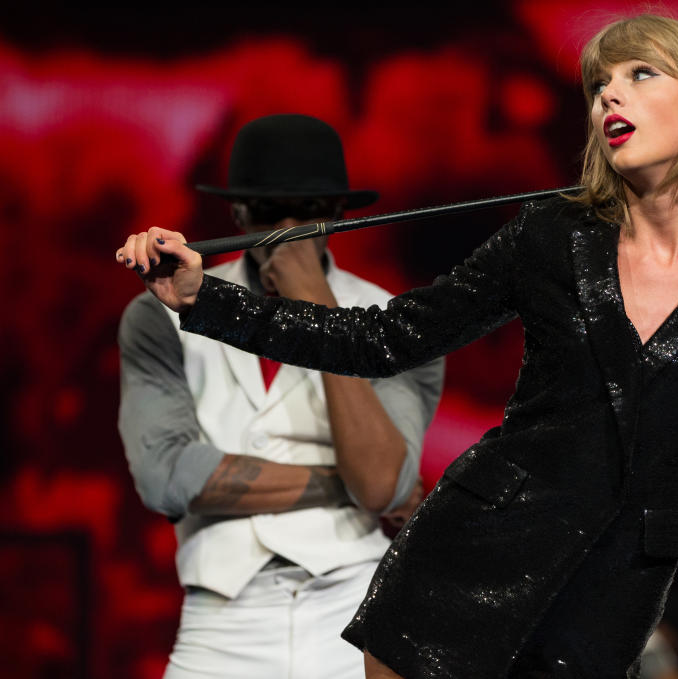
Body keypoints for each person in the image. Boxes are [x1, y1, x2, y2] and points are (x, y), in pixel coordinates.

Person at [117, 16, 678, 678]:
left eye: (639, 74)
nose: (608, 95)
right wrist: (204, 296)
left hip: (609, 595)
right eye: (599, 82)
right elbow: (384, 337)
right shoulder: (553, 235)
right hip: (460, 566)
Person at [117, 114, 445, 679]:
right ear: (238, 211)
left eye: (310, 210)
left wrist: (315, 302)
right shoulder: (159, 312)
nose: (288, 229)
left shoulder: (398, 322)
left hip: (354, 608)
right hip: (219, 619)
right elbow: (167, 475)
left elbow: (379, 481)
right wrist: (337, 485)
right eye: (269, 210)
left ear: (338, 214)